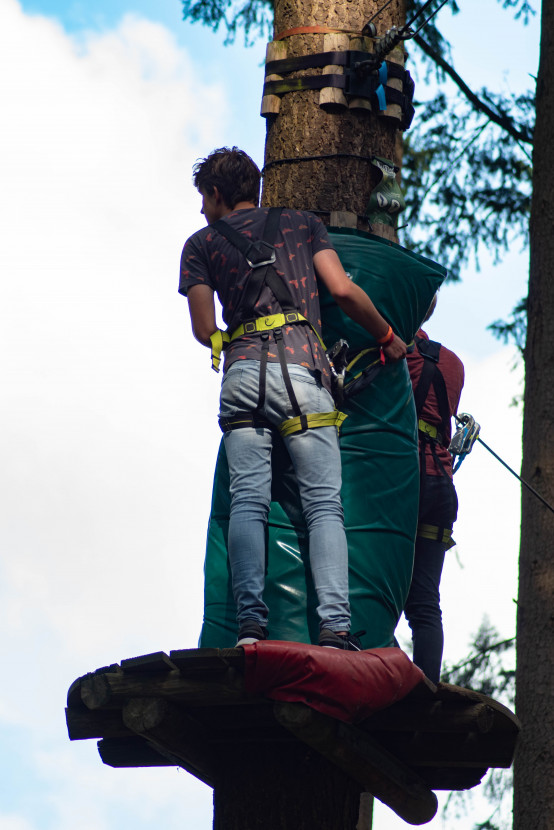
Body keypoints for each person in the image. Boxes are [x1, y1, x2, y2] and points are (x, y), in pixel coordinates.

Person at [179, 146, 407, 648]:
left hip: (242, 374)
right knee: (325, 506)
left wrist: (227, 338)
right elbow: (343, 290)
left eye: (203, 198)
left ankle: (250, 628)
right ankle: (335, 629)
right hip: (305, 369)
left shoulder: (199, 245)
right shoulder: (302, 224)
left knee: (248, 503)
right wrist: (388, 337)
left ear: (217, 194)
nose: (201, 209)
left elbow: (202, 329)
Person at [404, 295, 465, 682]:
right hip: (441, 484)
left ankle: (383, 668)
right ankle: (425, 688)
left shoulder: (392, 354)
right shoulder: (453, 363)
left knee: (374, 586)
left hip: (403, 481)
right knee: (425, 603)